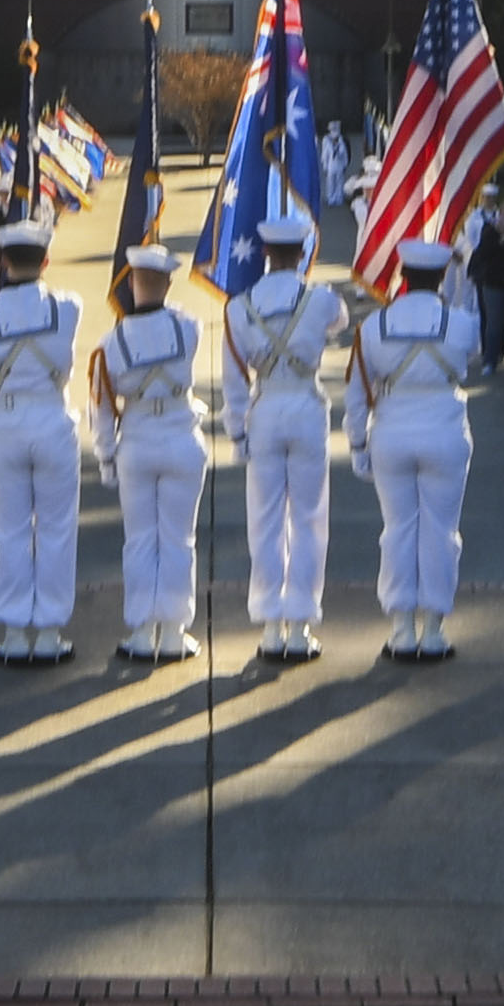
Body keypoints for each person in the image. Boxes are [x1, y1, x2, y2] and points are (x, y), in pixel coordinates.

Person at [220, 201, 350, 663]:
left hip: (266, 408)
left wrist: (236, 432)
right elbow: (341, 322)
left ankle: (272, 622)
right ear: (303, 252)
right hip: (306, 407)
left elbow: (234, 380)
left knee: (266, 519)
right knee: (310, 517)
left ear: (264, 253)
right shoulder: (319, 299)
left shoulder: (238, 308)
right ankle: (300, 622)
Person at [0, 215, 92, 666]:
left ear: (2, 262)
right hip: (52, 419)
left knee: (12, 531)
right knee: (57, 530)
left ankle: (16, 631)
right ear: (46, 260)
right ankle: (51, 630)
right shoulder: (68, 308)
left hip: (7, 423)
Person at [355, 235, 477, 658]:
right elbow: (470, 355)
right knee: (441, 531)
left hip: (392, 430)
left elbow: (359, 390)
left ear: (402, 276)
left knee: (399, 530)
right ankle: (434, 629)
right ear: (441, 276)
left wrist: (357, 442)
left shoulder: (374, 325)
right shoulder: (462, 322)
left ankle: (401, 628)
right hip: (444, 427)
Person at [96, 236, 213, 665]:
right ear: (167, 283)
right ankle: (175, 631)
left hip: (139, 441)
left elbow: (103, 406)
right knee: (179, 539)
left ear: (131, 284)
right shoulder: (189, 328)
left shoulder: (111, 344)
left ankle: (143, 630)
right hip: (181, 436)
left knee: (141, 539)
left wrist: (106, 454)